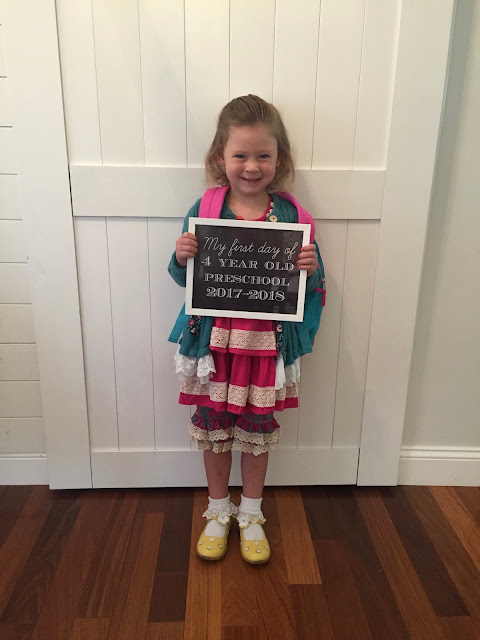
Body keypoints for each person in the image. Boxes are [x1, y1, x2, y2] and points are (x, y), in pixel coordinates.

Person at [167, 95, 325, 564]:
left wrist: (310, 267)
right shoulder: (206, 208)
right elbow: (184, 279)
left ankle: (251, 512)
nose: (252, 166)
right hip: (214, 346)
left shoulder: (291, 217)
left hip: (265, 348)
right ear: (221, 157)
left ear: (280, 158)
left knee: (257, 428)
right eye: (240, 155)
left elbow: (309, 285)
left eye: (263, 155)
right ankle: (219, 510)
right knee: (214, 428)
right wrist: (181, 257)